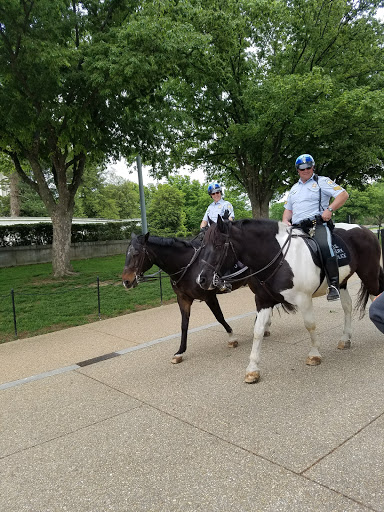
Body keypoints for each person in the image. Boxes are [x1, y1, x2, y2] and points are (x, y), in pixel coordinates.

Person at [282, 154, 349, 301]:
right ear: (297, 170)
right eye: (302, 168)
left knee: (325, 247)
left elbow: (343, 194)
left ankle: (333, 286)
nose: (305, 170)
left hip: (316, 225)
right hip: (296, 227)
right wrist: (285, 220)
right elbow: (288, 210)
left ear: (313, 167)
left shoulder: (322, 181)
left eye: (308, 167)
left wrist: (329, 210)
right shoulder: (294, 189)